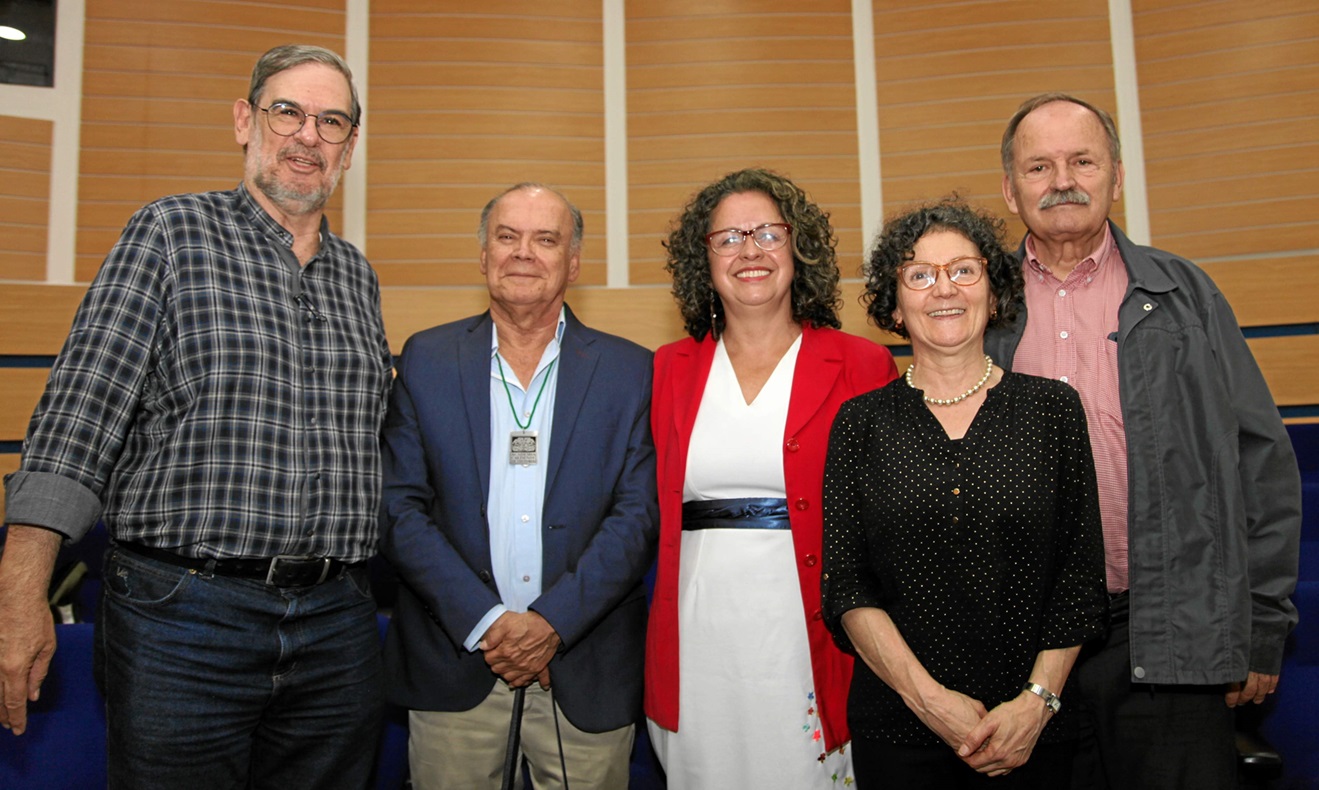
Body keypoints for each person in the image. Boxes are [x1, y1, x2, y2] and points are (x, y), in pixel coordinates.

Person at [0, 44, 392, 789]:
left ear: (350, 144)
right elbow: (77, 418)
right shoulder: (170, 234)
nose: (308, 136)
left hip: (337, 626)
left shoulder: (358, 278)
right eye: (288, 112)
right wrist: (18, 594)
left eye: (331, 121)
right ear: (245, 121)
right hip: (183, 619)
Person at [988, 93, 1303, 789]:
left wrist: (1260, 626)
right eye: (1038, 166)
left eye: (1081, 160)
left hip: (1170, 632)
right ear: (1010, 191)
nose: (1061, 180)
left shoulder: (1186, 295)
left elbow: (1263, 463)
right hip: (1023, 642)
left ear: (1116, 176)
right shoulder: (975, 307)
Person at [822, 198, 1108, 788]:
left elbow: (1079, 580)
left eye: (963, 270)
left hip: (1034, 731)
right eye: (919, 275)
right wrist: (929, 701)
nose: (942, 289)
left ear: (994, 291)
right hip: (900, 727)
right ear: (894, 305)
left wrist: (1035, 704)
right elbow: (847, 587)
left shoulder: (1053, 410)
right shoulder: (859, 423)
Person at [379, 183, 657, 789]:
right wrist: (487, 623)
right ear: (483, 255)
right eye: (507, 237)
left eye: (545, 239)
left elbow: (636, 517)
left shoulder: (632, 370)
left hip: (583, 672)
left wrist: (551, 623)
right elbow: (399, 508)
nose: (523, 252)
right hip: (457, 665)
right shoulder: (424, 359)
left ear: (573, 262)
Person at [643, 168, 898, 788]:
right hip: (699, 632)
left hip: (811, 633)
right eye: (728, 238)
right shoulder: (667, 369)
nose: (749, 251)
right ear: (702, 260)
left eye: (767, 233)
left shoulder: (862, 364)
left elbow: (890, 524)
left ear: (798, 248)